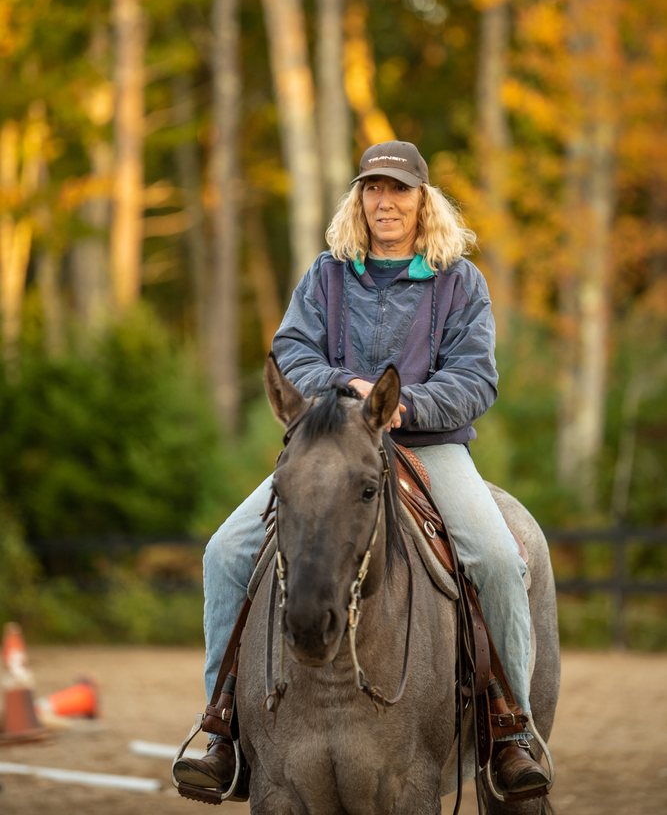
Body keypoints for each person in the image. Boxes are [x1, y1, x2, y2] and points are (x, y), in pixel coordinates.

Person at [174, 140, 549, 798]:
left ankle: (509, 729)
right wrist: (342, 391)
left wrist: (405, 405)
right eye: (372, 190)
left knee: (495, 558)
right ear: (359, 199)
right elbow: (290, 349)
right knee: (225, 551)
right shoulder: (326, 275)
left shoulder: (459, 280)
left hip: (427, 446)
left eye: (398, 190)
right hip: (331, 445)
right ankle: (222, 725)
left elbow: (475, 378)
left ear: (421, 201)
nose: (384, 202)